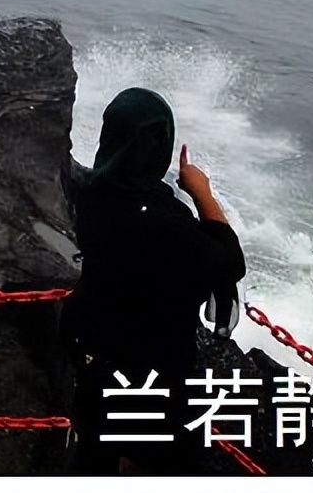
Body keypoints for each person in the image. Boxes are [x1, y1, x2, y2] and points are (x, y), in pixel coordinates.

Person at [59, 87, 246, 475]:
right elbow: (228, 261)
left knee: (95, 456)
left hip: (93, 366)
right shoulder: (165, 224)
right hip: (151, 386)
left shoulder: (89, 195)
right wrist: (201, 191)